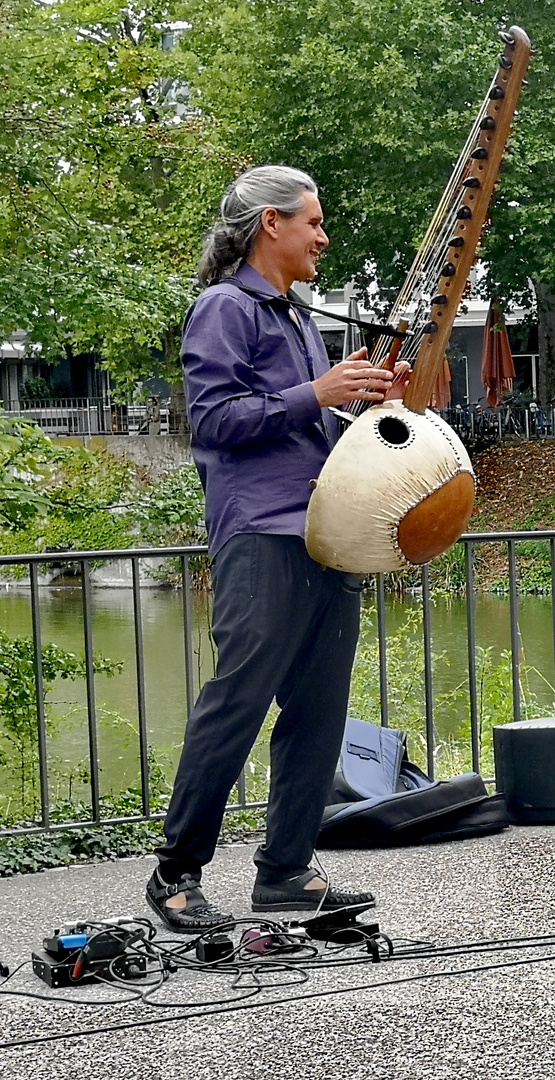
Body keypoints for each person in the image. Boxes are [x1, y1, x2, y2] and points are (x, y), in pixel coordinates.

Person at [147, 166, 406, 933]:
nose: (323, 237)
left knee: (318, 713)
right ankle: (175, 873)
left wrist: (362, 404)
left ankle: (286, 874)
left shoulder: (296, 317)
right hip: (261, 534)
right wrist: (318, 393)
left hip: (328, 535)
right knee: (237, 704)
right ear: (271, 225)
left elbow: (305, 427)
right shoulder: (224, 308)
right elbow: (216, 421)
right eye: (313, 223)